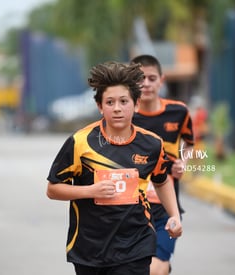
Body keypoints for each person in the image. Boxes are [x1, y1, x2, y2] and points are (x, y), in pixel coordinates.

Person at [46, 61, 183, 275]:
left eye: (123, 101)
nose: (117, 108)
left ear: (136, 105)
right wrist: (90, 191)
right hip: (90, 247)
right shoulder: (80, 142)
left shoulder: (152, 144)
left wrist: (173, 215)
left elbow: (162, 179)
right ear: (100, 107)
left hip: (135, 244)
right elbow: (53, 189)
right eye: (110, 102)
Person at [131, 54, 194, 275]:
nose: (146, 84)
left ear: (161, 80)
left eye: (151, 78)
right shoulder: (123, 117)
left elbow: (189, 143)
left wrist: (183, 162)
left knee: (156, 268)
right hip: (131, 208)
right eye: (140, 78)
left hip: (166, 208)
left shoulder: (179, 112)